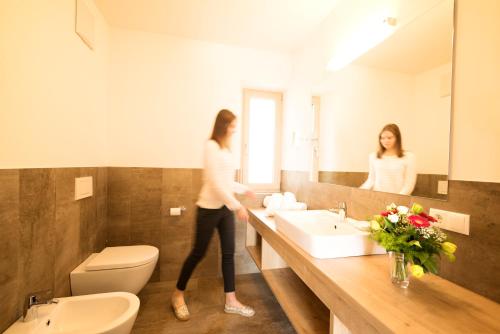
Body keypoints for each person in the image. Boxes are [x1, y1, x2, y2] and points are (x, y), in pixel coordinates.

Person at [171, 109, 255, 321]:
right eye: (232, 126)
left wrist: (243, 189)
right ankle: (177, 294)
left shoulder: (227, 150)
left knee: (228, 254)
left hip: (224, 209)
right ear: (223, 125)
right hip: (208, 209)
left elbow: (226, 182)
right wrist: (238, 206)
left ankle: (231, 301)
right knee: (198, 253)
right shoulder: (211, 147)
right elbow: (215, 183)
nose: (234, 130)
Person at [360, 123, 416, 195]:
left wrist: (397, 199)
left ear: (397, 138)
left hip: (399, 201)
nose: (385, 141)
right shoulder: (373, 156)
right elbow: (371, 180)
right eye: (382, 138)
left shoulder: (409, 157)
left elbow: (409, 184)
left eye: (389, 138)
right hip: (378, 198)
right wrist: (359, 192)